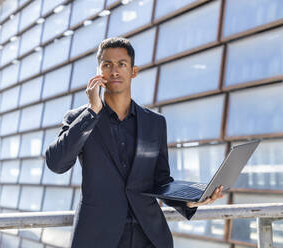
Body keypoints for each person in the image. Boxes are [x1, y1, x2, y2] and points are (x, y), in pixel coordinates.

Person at [45, 37, 223, 248]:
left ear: (133, 71)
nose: (114, 71)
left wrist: (189, 200)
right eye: (107, 64)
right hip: (98, 237)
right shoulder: (80, 119)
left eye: (122, 64)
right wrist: (92, 111)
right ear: (99, 71)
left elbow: (161, 180)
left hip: (150, 237)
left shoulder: (155, 123)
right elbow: (56, 164)